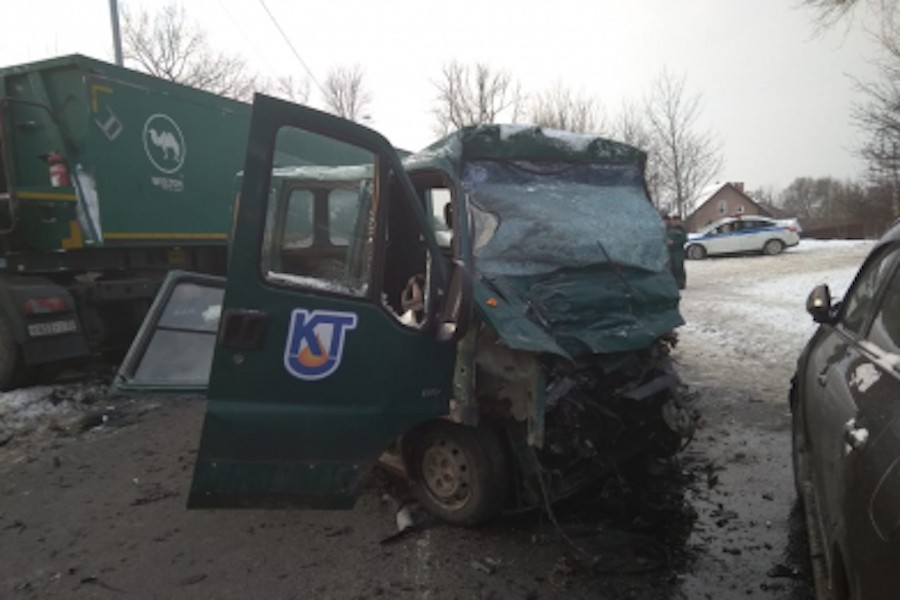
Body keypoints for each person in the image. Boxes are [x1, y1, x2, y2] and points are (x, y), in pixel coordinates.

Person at [665, 214, 687, 290]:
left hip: (678, 251)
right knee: (671, 267)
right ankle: (674, 283)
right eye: (674, 221)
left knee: (679, 267)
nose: (675, 222)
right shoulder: (668, 229)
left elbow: (684, 239)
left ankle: (681, 283)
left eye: (677, 221)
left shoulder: (681, 230)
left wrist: (674, 242)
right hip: (670, 251)